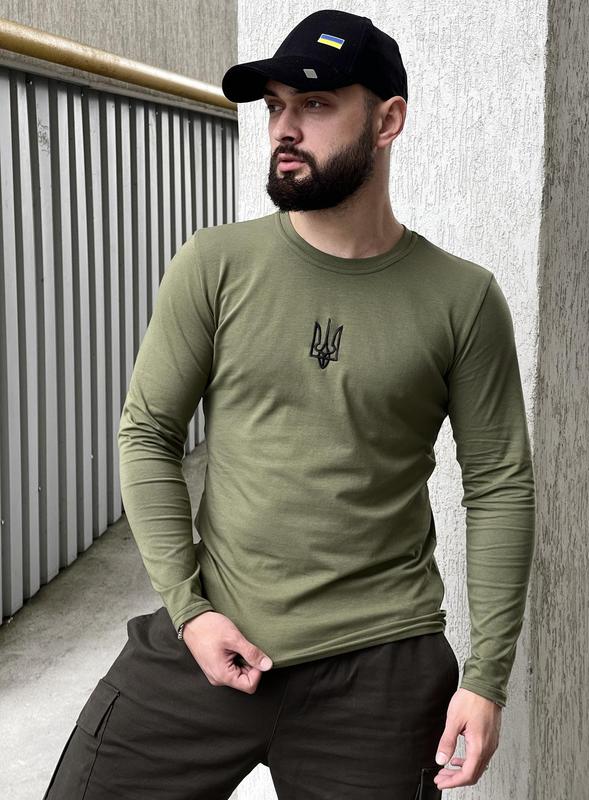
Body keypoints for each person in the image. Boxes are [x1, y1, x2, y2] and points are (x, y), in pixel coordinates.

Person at [42, 8, 535, 799]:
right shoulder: (215, 265)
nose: (284, 129)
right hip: (211, 636)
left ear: (387, 121)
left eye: (316, 104)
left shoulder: (462, 299)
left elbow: (500, 482)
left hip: (380, 669)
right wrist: (189, 611)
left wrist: (486, 678)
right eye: (275, 106)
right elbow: (148, 432)